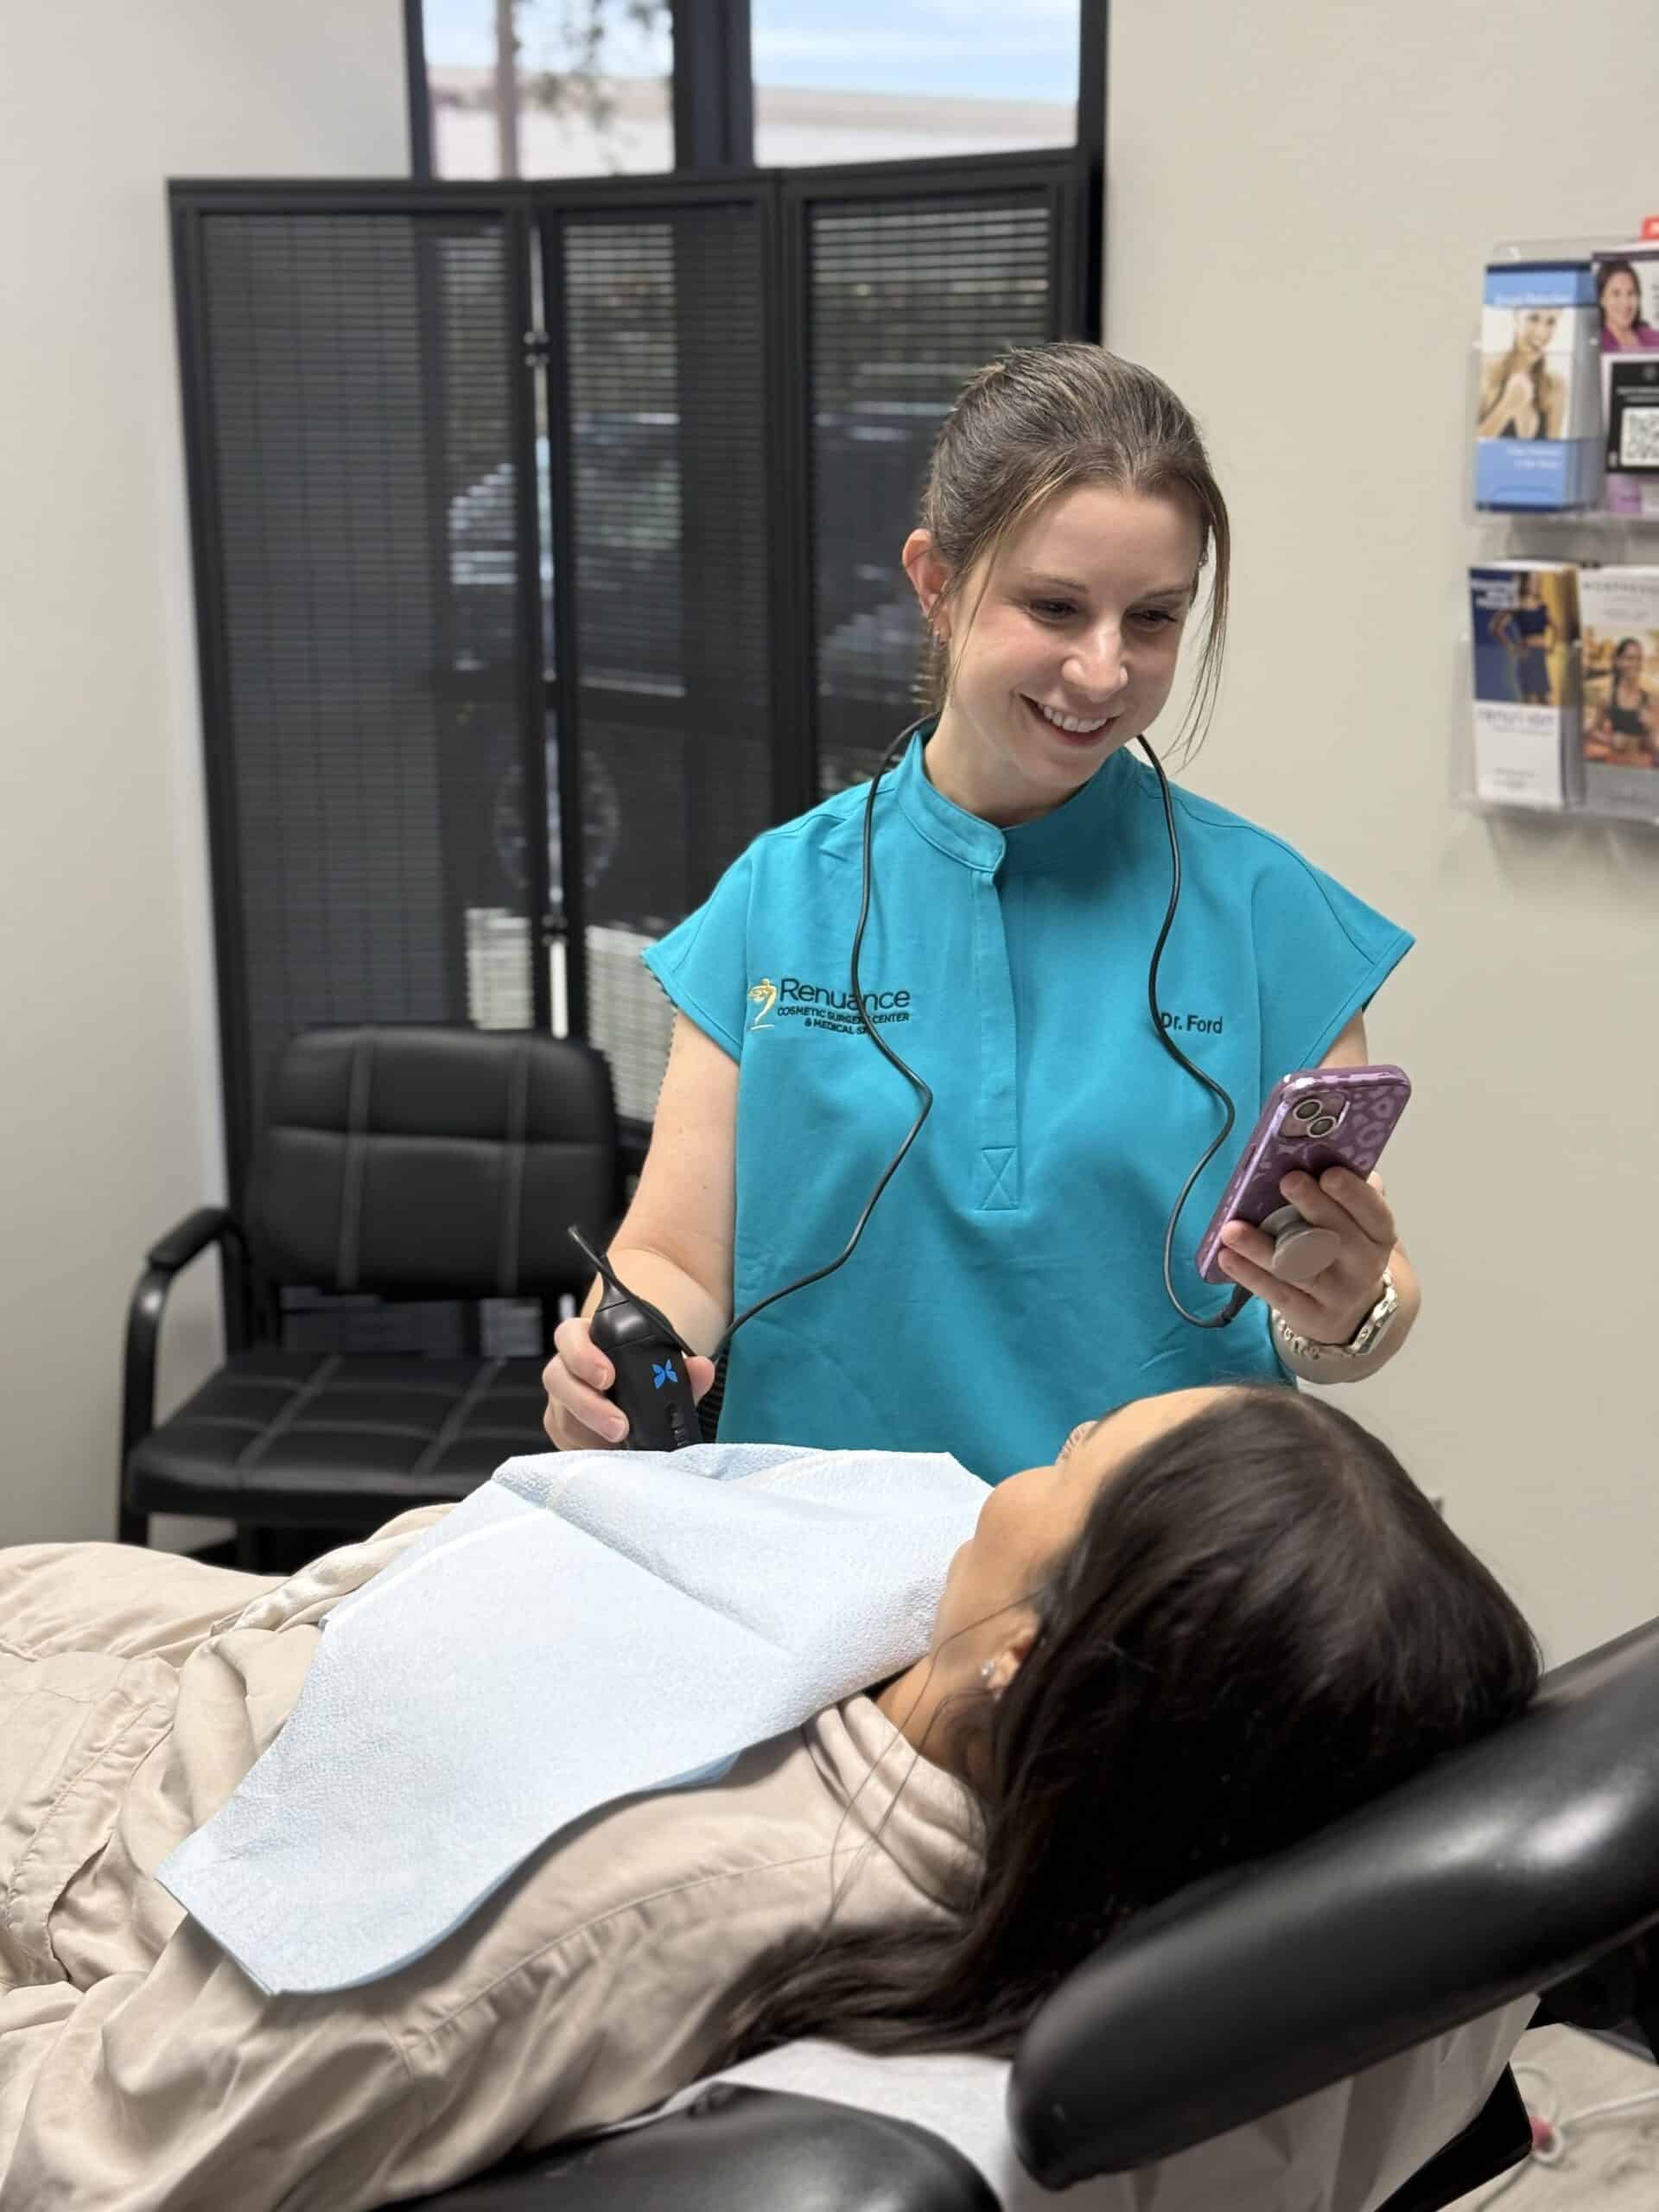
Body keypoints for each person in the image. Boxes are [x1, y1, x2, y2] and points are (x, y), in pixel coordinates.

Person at [0, 1387, 1538, 2209]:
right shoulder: (1045, 1705)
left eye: (1070, 1460)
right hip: (242, 1633)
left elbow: (99, 2155)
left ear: (1023, 1658)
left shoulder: (618, 1891)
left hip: (108, 1808)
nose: (1025, 1462)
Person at [545, 345, 1422, 1484]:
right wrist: (607, 1372)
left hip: (1155, 1547)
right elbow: (676, 1256)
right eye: (1054, 607)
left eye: (1152, 619)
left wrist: (1348, 1309)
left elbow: (1357, 1297)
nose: (1102, 672)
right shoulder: (780, 896)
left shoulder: (1265, 911)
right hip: (818, 1550)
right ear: (937, 585)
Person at [1477, 308, 1567, 441]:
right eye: (1533, 318)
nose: (1541, 332)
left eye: (1551, 322)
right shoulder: (1487, 372)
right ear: (1516, 316)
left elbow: (1553, 451)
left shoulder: (1555, 386)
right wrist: (1505, 408)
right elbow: (1466, 445)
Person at [1583, 635, 1657, 764]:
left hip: (1641, 767)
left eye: (1639, 659)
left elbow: (1655, 747)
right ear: (1618, 661)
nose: (1635, 664)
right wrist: (1610, 740)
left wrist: (1650, 728)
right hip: (1615, 765)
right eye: (1630, 658)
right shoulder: (1607, 697)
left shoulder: (1650, 700)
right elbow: (1593, 731)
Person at [1490, 572, 1557, 706]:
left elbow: (1556, 627)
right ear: (1526, 584)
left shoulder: (1542, 607)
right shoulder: (1517, 607)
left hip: (1540, 656)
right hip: (1527, 656)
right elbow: (1496, 628)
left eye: (1539, 581)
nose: (1538, 584)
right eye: (1534, 581)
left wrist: (1552, 647)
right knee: (1530, 700)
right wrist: (1512, 648)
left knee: (1546, 700)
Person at [1596, 259, 1659, 353]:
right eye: (1616, 294)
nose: (1625, 303)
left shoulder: (1655, 338)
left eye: (1631, 293)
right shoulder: (1596, 345)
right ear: (1602, 299)